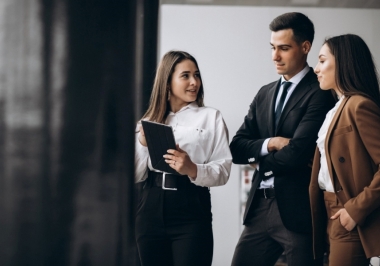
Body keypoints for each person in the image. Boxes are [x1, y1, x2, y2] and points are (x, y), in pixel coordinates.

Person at [230, 12, 335, 265]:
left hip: (297, 212)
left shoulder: (320, 93)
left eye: (284, 48)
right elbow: (236, 148)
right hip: (258, 209)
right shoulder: (265, 93)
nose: (275, 56)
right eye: (273, 48)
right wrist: (272, 143)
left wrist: (259, 162)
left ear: (305, 47)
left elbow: (298, 152)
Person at [134, 50, 232, 266]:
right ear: (167, 82)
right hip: (150, 205)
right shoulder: (148, 120)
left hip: (191, 207)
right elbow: (135, 174)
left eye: (196, 75)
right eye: (185, 75)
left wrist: (192, 168)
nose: (194, 82)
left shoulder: (211, 117)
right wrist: (142, 145)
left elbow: (223, 171)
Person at [310, 34, 380, 266]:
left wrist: (355, 210)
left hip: (349, 212)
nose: (316, 69)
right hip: (328, 210)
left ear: (343, 62)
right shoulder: (336, 108)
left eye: (321, 60)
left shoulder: (359, 105)